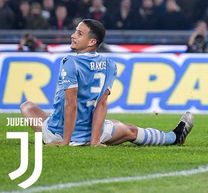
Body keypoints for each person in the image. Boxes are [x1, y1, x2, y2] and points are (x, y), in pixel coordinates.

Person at [19, 19, 193, 146]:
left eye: (79, 34)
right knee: (130, 130)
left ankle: (66, 135)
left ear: (92, 42)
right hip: (91, 133)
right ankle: (173, 137)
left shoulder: (70, 62)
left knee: (27, 107)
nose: (73, 36)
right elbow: (101, 104)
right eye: (75, 31)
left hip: (59, 133)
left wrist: (65, 141)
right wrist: (95, 141)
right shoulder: (110, 64)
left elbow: (70, 104)